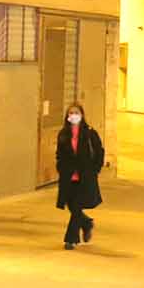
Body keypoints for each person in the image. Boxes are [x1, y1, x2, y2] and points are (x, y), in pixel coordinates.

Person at [55, 102, 104, 250]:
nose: (73, 115)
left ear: (81, 115)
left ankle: (71, 239)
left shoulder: (89, 133)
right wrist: (61, 168)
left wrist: (95, 169)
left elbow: (99, 151)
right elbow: (59, 155)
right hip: (68, 177)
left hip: (84, 176)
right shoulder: (63, 134)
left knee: (76, 207)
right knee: (71, 206)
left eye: (76, 112)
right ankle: (86, 223)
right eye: (71, 113)